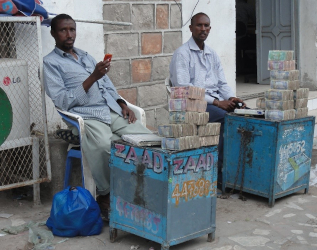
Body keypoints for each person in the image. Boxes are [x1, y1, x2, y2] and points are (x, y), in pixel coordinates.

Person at [43, 14, 151, 220]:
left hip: (110, 109)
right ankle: (106, 194)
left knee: (145, 138)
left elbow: (107, 85)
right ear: (53, 33)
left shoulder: (85, 56)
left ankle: (141, 189)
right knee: (104, 145)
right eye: (63, 30)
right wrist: (93, 77)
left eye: (72, 29)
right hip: (85, 115)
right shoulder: (51, 63)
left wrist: (122, 104)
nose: (69, 34)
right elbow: (62, 101)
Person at [169, 12, 246, 189]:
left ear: (210, 29)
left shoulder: (212, 53)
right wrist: (217, 102)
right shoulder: (182, 54)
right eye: (199, 25)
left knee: (243, 115)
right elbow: (184, 88)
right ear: (191, 28)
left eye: (206, 26)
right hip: (191, 104)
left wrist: (231, 98)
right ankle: (218, 175)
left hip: (212, 101)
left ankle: (235, 171)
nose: (203, 29)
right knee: (226, 119)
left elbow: (222, 83)